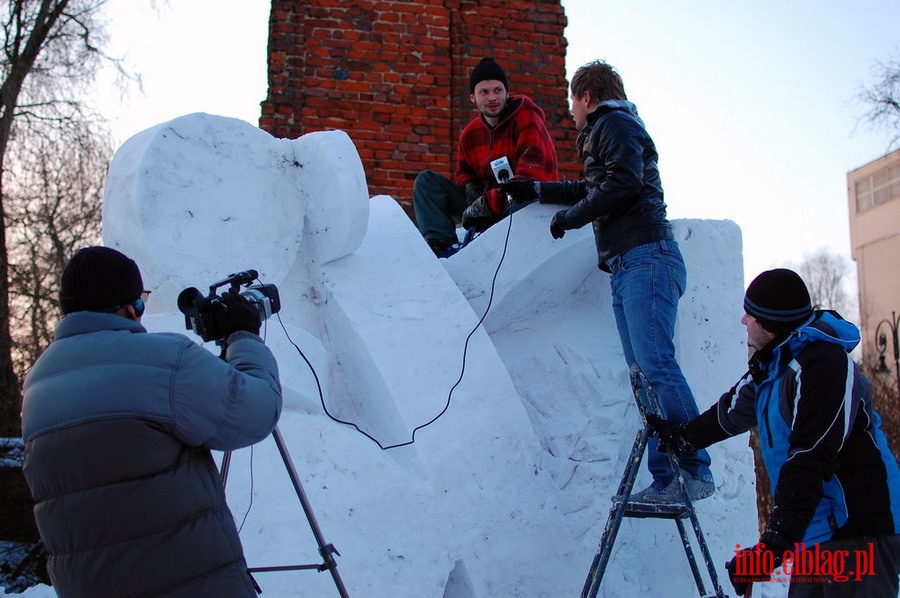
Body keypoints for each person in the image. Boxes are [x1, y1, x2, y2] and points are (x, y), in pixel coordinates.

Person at [500, 59, 713, 502]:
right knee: (643, 375)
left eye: (571, 102)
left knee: (656, 366)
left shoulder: (613, 122)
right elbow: (595, 187)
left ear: (586, 96)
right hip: (628, 264)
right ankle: (667, 478)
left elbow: (623, 184)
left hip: (646, 257)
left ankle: (694, 470)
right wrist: (538, 191)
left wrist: (571, 220)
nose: (570, 112)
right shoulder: (609, 131)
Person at [21, 246, 283, 597]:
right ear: (130, 307)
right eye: (142, 301)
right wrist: (244, 335)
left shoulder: (38, 383)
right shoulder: (166, 361)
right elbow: (257, 409)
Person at [648, 268, 900, 597]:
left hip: (859, 530)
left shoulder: (825, 366)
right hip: (816, 532)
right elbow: (729, 413)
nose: (743, 321)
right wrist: (681, 438)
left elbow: (810, 457)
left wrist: (770, 550)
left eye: (750, 315)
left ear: (770, 324)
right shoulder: (774, 366)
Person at [412, 57, 559, 257]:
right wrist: (472, 190)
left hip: (524, 205)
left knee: (522, 199)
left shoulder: (526, 119)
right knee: (426, 182)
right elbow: (464, 172)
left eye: (497, 90)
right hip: (488, 207)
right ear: (473, 97)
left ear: (507, 93)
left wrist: (488, 203)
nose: (492, 97)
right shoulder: (470, 134)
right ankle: (442, 246)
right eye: (484, 92)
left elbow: (529, 179)